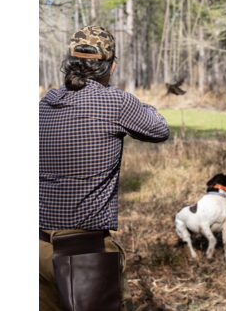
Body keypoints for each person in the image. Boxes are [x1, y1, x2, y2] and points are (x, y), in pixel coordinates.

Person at [39, 26, 169, 311]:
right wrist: (140, 104)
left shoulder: (45, 103)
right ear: (110, 66)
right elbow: (159, 130)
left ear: (70, 63)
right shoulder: (116, 101)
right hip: (85, 254)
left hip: (38, 246)